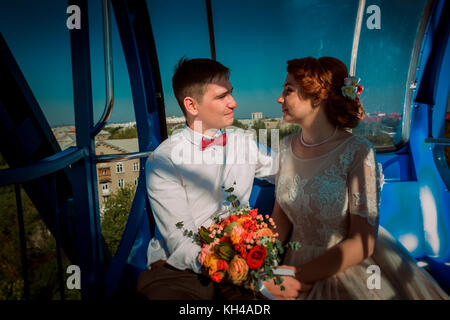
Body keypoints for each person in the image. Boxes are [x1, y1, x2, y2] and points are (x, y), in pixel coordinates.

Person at [272, 56, 449, 299]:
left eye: (288, 91)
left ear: (317, 96)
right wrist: (259, 266)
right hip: (292, 260)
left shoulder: (357, 151)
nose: (279, 99)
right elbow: (279, 219)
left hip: (344, 265)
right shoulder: (285, 147)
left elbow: (362, 241)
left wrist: (296, 274)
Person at [136, 58, 306, 300]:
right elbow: (181, 244)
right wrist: (251, 277)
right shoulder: (164, 160)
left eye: (231, 93)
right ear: (192, 106)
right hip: (180, 271)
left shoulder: (243, 142)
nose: (234, 103)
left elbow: (291, 170)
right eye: (221, 96)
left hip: (242, 261)